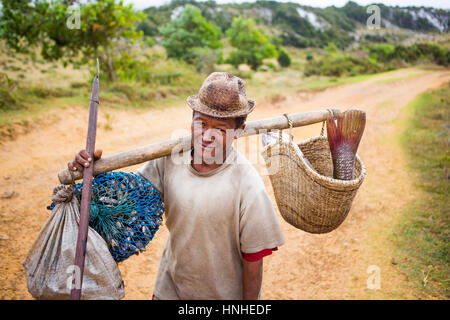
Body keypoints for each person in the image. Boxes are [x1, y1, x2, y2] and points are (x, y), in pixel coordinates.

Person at [68, 72, 285, 300]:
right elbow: (127, 200)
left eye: (220, 129)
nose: (208, 136)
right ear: (191, 120)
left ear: (239, 130)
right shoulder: (169, 159)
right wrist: (92, 172)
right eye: (201, 123)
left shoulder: (247, 184)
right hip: (170, 289)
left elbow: (253, 261)